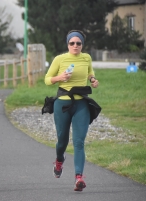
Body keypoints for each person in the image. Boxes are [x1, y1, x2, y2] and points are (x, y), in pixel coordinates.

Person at [44, 30, 100, 192]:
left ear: (82, 45)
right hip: (62, 104)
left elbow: (90, 71)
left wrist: (93, 79)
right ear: (67, 44)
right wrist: (59, 78)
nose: (75, 46)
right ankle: (59, 160)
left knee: (79, 141)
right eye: (72, 43)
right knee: (62, 140)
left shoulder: (86, 57)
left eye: (78, 43)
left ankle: (79, 177)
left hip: (81, 104)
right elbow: (48, 80)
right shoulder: (60, 59)